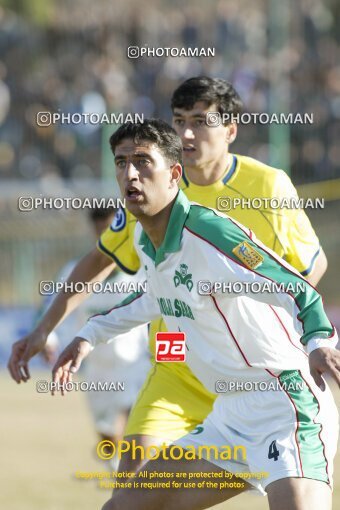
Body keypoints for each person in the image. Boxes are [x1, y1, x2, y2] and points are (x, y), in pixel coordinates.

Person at [8, 77, 328, 476]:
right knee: (133, 479)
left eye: (200, 120)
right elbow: (100, 259)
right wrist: (44, 328)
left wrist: (284, 331)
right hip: (175, 360)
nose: (187, 132)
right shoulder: (152, 188)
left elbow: (308, 267)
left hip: (252, 367)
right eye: (179, 121)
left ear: (230, 129)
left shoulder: (268, 185)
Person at [51, 119, 339, 510]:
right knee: (123, 506)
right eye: (121, 162)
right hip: (228, 417)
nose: (130, 173)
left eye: (142, 161)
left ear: (173, 174)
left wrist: (319, 342)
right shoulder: (143, 236)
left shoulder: (210, 233)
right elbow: (152, 297)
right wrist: (88, 335)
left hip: (285, 405)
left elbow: (297, 287)